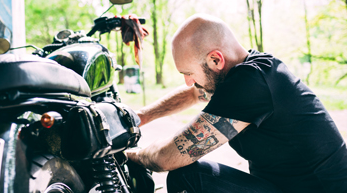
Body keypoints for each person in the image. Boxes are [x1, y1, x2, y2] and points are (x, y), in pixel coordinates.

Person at [126, 13, 347, 193]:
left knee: (189, 178)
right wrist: (139, 117)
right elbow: (194, 94)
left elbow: (168, 157)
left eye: (188, 73)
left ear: (216, 59)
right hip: (283, 186)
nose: (188, 81)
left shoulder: (250, 86)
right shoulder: (248, 72)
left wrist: (129, 155)